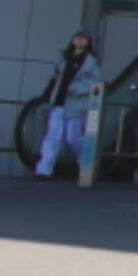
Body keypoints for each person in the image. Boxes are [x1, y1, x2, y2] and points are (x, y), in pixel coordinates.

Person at [35, 30, 103, 179]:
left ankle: (86, 162)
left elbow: (97, 82)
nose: (79, 40)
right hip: (58, 102)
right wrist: (47, 94)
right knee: (53, 136)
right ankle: (43, 170)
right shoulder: (63, 57)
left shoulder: (90, 61)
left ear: (88, 42)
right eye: (77, 37)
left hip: (76, 104)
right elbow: (53, 77)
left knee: (72, 138)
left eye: (83, 38)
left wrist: (77, 88)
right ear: (72, 39)